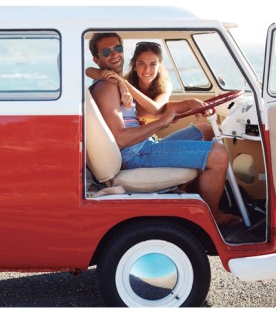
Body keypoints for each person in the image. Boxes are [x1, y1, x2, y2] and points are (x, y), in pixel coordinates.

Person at [87, 32, 241, 227]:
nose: (114, 54)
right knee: (218, 155)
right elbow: (121, 139)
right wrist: (161, 123)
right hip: (135, 154)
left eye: (117, 48)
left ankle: (196, 194)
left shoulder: (113, 82)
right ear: (97, 59)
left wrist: (188, 104)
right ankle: (212, 217)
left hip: (142, 147)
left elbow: (153, 109)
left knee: (205, 130)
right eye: (106, 51)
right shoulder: (107, 87)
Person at [86, 37, 214, 139]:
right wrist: (121, 82)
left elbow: (157, 109)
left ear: (159, 67)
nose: (147, 70)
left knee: (207, 129)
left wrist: (191, 102)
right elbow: (88, 70)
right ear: (134, 66)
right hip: (137, 138)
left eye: (153, 64)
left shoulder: (164, 85)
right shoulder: (122, 83)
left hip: (146, 134)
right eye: (141, 63)